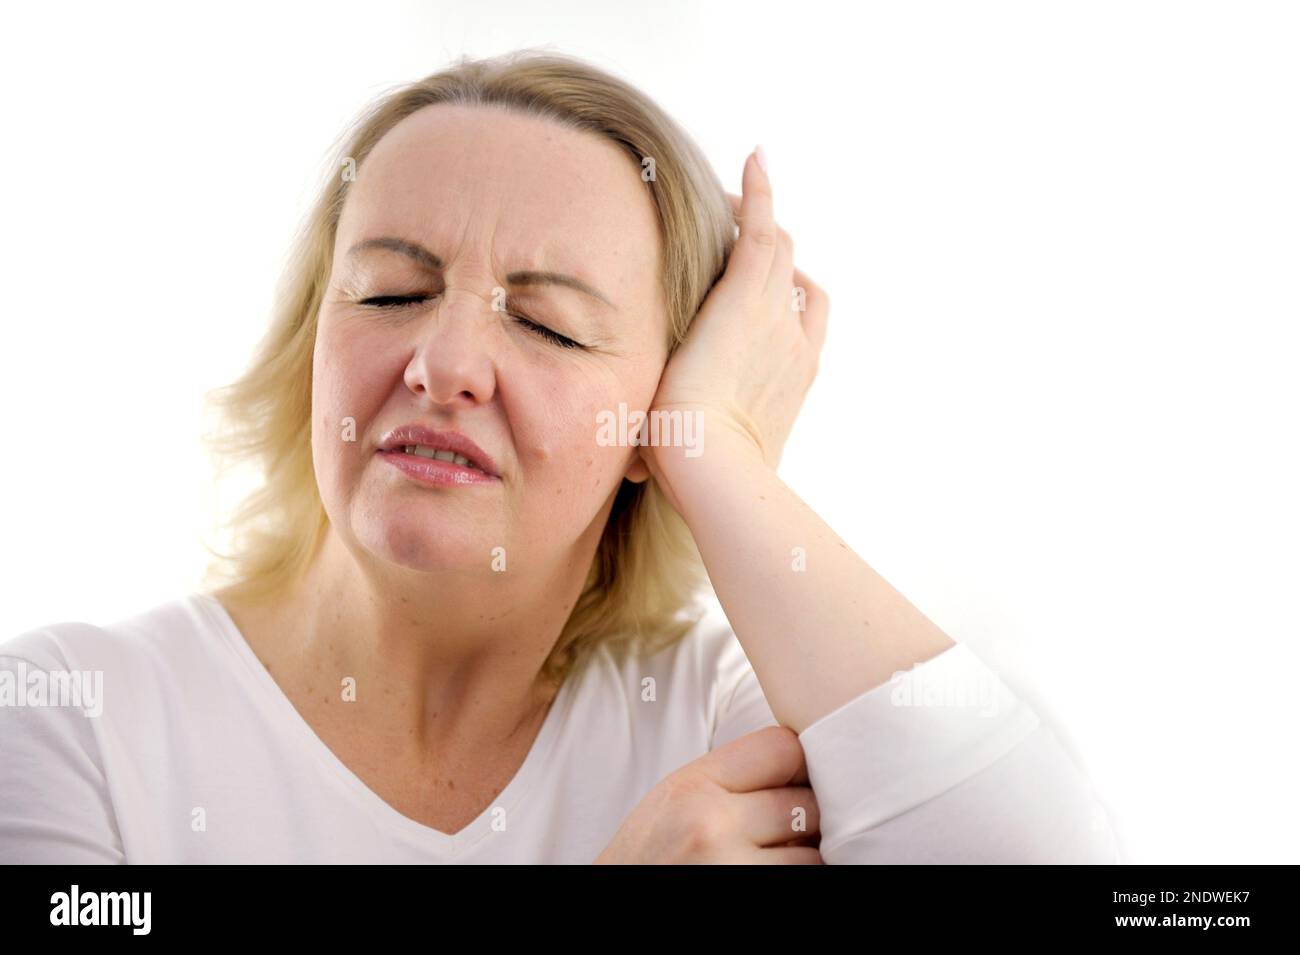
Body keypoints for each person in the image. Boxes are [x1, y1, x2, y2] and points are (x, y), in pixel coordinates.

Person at [0, 50, 1120, 864]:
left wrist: (716, 455)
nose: (445, 363)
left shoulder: (730, 720)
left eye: (549, 325)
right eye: (391, 291)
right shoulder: (72, 719)